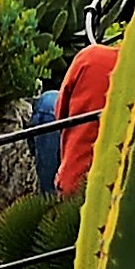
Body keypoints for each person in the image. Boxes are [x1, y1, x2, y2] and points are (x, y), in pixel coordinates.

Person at [52, 37, 120, 197]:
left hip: (76, 193)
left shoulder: (93, 58)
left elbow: (59, 115)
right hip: (133, 194)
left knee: (47, 105)